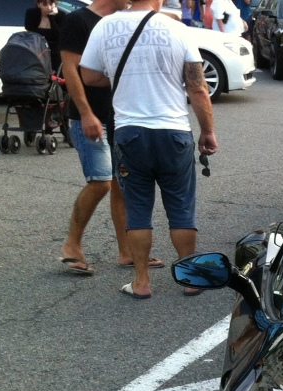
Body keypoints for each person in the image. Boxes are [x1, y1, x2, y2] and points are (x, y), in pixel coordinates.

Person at [80, 0, 217, 300]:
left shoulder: (105, 26)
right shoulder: (177, 29)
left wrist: (120, 77)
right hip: (174, 132)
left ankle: (141, 281)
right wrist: (207, 131)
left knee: (138, 209)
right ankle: (190, 278)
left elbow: (88, 76)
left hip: (130, 134)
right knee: (181, 208)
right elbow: (197, 86)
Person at [57, 0, 142, 277]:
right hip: (89, 117)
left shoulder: (117, 22)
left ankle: (127, 252)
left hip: (117, 115)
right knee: (101, 181)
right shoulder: (77, 21)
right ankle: (71, 246)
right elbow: (71, 70)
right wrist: (85, 113)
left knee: (120, 184)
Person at [25, 0, 64, 69]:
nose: (49, 8)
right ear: (38, 4)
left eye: (51, 4)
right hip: (36, 51)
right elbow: (30, 30)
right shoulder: (32, 13)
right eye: (45, 4)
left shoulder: (61, 15)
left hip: (54, 53)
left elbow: (59, 35)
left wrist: (51, 17)